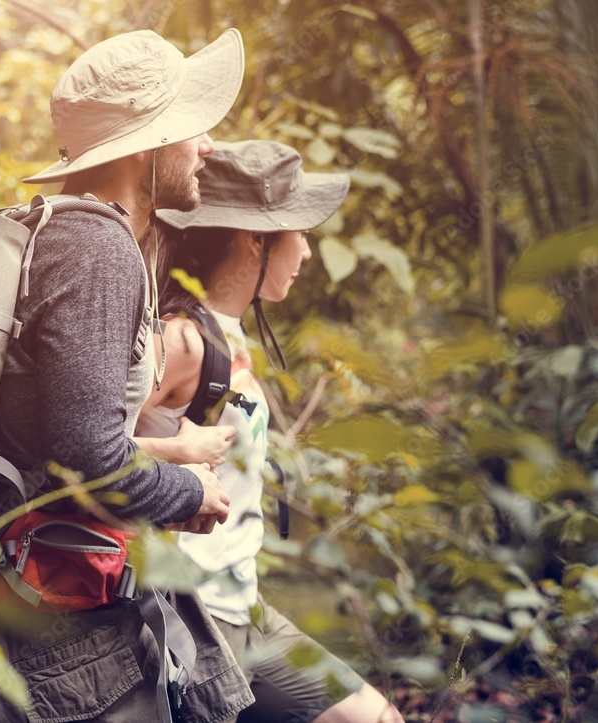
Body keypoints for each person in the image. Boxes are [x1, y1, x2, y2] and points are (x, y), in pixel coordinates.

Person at [0, 29, 257, 722]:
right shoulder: (98, 247)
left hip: (14, 607)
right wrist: (189, 489)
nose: (207, 145)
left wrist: (173, 455)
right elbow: (86, 458)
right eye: (191, 128)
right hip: (54, 642)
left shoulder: (62, 231)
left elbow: (55, 434)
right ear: (147, 146)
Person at [136, 140, 406, 723]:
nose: (307, 250)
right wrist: (173, 450)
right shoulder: (181, 340)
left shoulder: (225, 336)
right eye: (299, 231)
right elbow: (77, 445)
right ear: (255, 239)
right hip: (193, 621)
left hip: (247, 610)